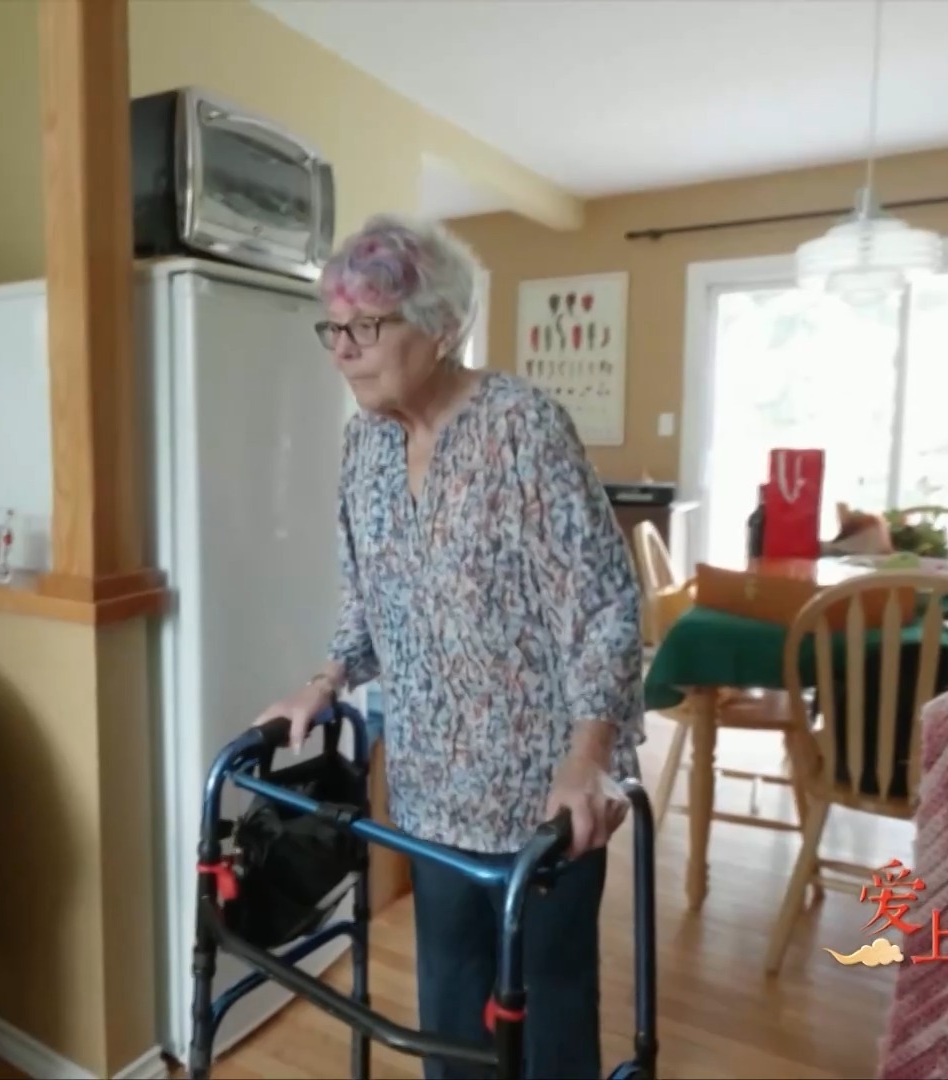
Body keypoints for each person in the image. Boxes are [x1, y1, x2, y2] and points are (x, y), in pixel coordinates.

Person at [252, 214, 644, 1079]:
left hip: (543, 793)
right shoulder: (363, 444)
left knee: (548, 1007)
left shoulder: (522, 427)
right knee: (451, 996)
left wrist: (588, 760)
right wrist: (326, 677)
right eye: (333, 328)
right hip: (430, 784)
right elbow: (367, 593)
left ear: (441, 326)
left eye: (366, 326)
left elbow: (606, 608)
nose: (342, 350)